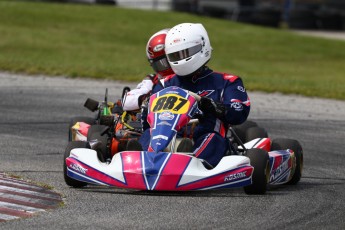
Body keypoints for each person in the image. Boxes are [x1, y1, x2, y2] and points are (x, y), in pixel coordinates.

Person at [141, 23, 251, 167]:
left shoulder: (226, 82)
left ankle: (193, 163)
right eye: (175, 55)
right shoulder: (164, 84)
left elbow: (239, 113)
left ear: (202, 47)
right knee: (148, 134)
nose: (181, 59)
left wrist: (213, 106)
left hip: (206, 139)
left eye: (185, 53)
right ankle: (144, 161)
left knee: (212, 139)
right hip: (169, 139)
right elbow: (147, 120)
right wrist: (145, 109)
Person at [122, 28, 174, 112]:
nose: (166, 66)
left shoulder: (191, 77)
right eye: (161, 63)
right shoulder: (153, 80)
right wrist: (148, 99)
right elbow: (126, 101)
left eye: (169, 60)